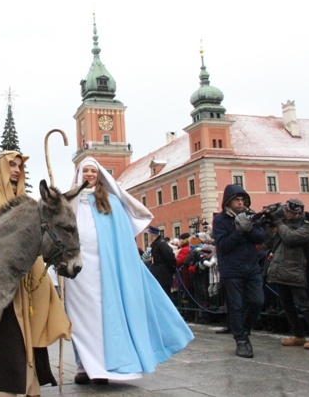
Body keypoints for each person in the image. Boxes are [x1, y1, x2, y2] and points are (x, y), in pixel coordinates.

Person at [65, 157, 193, 384]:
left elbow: (122, 237)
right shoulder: (69, 202)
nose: (89, 175)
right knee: (79, 318)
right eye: (85, 171)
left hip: (105, 270)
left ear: (99, 175)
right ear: (79, 174)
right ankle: (83, 365)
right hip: (78, 273)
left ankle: (104, 366)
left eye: (93, 171)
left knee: (104, 317)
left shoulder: (111, 202)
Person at [0, 150, 70, 396]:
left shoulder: (24, 198)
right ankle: (0, 384)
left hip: (24, 274)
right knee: (2, 331)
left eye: (20, 166)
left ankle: (26, 382)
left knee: (23, 330)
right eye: (12, 165)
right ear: (1, 167)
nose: (17, 170)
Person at [212, 184, 265, 358]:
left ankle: (244, 328)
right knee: (236, 306)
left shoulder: (251, 215)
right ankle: (241, 340)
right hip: (232, 269)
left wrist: (249, 228)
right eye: (237, 200)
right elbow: (224, 246)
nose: (241, 203)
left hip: (251, 267)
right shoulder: (220, 220)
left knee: (257, 301)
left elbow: (260, 238)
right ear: (229, 202)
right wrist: (239, 231)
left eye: (243, 200)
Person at [265, 199, 309, 349]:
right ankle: (298, 335)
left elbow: (291, 238)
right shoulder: (284, 224)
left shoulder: (306, 227)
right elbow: (270, 241)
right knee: (287, 305)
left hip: (295, 271)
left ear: (297, 212)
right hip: (281, 270)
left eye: (288, 211)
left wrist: (278, 222)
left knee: (303, 305)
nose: (286, 213)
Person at [148, 226, 177, 298]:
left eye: (149, 234)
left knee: (164, 295)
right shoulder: (157, 244)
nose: (148, 237)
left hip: (163, 275)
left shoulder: (161, 244)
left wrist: (172, 269)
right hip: (159, 274)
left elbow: (170, 257)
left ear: (152, 235)